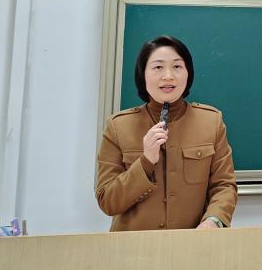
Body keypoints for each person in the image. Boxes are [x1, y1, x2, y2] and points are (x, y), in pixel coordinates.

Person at [95, 35, 237, 231]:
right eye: (158, 67)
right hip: (133, 247)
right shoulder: (118, 127)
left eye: (177, 66)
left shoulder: (211, 121)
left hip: (194, 244)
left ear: (188, 73)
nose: (168, 76)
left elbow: (224, 186)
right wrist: (145, 162)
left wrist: (214, 220)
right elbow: (108, 202)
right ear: (142, 74)